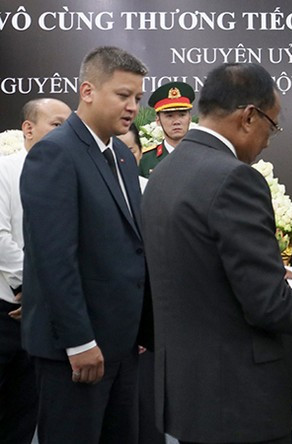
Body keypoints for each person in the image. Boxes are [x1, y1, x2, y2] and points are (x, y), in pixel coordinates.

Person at [141, 63, 292, 444]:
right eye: (271, 127)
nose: (269, 141)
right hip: (238, 399)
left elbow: (193, 267)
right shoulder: (235, 178)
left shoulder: (163, 172)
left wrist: (265, 269)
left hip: (189, 392)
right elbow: (267, 306)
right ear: (248, 116)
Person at [19, 46, 151, 443]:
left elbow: (131, 246)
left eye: (138, 98)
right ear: (88, 91)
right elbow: (54, 258)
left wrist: (141, 329)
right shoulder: (54, 153)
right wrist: (79, 342)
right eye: (123, 95)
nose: (132, 107)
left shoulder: (124, 159)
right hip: (76, 352)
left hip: (123, 346)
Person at [0, 97, 70, 444]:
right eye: (57, 125)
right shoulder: (4, 170)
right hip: (7, 307)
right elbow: (0, 237)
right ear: (28, 129)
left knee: (26, 413)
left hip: (44, 313)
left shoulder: (68, 174)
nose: (66, 133)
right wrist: (31, 285)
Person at [139, 81, 194, 177]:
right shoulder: (145, 160)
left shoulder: (204, 156)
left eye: (182, 115)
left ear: (190, 118)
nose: (176, 121)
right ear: (158, 120)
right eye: (169, 116)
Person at [117, 123, 149, 192]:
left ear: (140, 152)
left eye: (130, 151)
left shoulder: (150, 188)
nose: (124, 158)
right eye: (118, 151)